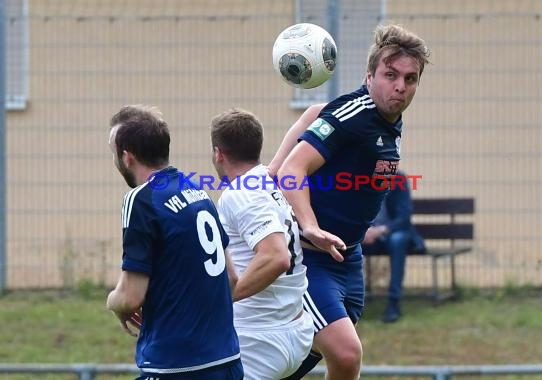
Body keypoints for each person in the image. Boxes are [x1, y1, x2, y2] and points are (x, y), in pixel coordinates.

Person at [268, 23, 430, 380]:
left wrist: (314, 115)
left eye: (410, 78)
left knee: (296, 362)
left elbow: (321, 116)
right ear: (369, 75)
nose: (401, 86)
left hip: (347, 257)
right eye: (391, 75)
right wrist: (309, 226)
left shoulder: (386, 121)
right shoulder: (354, 115)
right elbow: (291, 171)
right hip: (310, 257)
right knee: (346, 352)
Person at [106, 105, 243, 380]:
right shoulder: (196, 190)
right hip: (227, 361)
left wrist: (115, 303)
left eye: (114, 154)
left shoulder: (141, 199)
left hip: (176, 365)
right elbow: (231, 278)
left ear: (127, 157)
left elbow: (130, 296)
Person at [210, 108, 314, 380]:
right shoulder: (269, 180)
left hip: (259, 340)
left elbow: (277, 257)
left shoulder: (239, 193)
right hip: (294, 329)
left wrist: (220, 299)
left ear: (219, 153)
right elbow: (309, 116)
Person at [362, 170, 425, 323]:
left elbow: (404, 217)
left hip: (392, 232)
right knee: (348, 243)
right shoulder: (357, 179)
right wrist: (362, 231)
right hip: (367, 236)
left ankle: (393, 303)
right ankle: (351, 302)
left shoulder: (398, 179)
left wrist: (379, 231)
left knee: (397, 241)